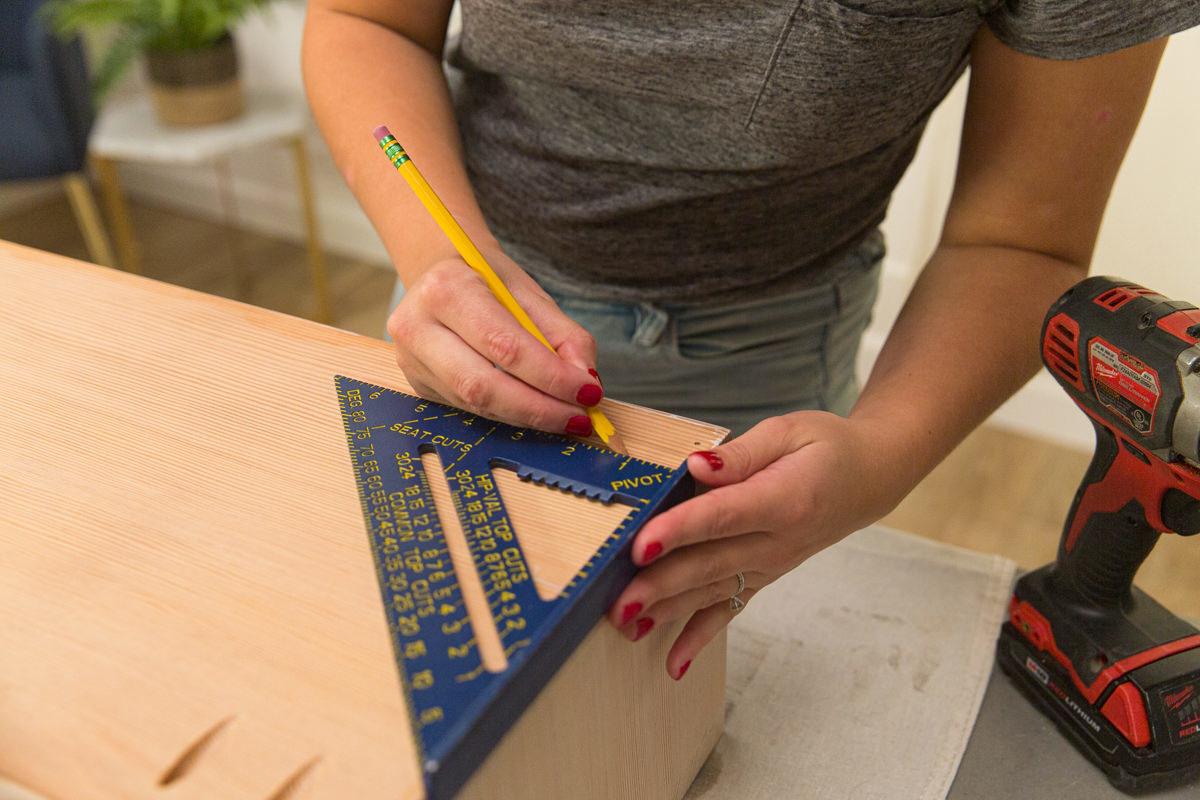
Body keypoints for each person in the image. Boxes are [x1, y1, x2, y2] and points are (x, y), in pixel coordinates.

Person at [301, 2, 1198, 680]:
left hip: (773, 343)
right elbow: (363, 20)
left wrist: (880, 457)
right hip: (466, 299)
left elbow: (1022, 236)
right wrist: (437, 259)